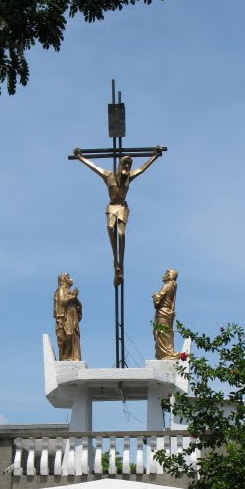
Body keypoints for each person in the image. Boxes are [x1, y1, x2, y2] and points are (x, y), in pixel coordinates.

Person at [73, 146, 163, 286]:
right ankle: (116, 261)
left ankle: (120, 264)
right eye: (125, 163)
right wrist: (80, 158)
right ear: (120, 164)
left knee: (121, 234)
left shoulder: (129, 177)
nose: (127, 166)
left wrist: (155, 157)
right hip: (112, 206)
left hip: (122, 206)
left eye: (129, 164)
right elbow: (94, 167)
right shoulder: (108, 176)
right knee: (110, 228)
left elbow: (142, 169)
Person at [53, 272, 82, 361]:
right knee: (68, 334)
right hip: (66, 316)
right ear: (64, 279)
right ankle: (65, 356)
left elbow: (79, 305)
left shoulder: (70, 292)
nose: (70, 278)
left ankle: (73, 356)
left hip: (73, 315)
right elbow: (62, 302)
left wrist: (76, 301)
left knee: (73, 334)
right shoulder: (61, 290)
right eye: (68, 277)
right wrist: (74, 297)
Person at [152, 269, 180, 359]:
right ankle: (168, 352)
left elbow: (158, 299)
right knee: (168, 332)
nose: (163, 275)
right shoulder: (173, 286)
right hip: (169, 312)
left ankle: (166, 353)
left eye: (166, 274)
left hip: (163, 312)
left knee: (162, 332)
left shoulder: (166, 286)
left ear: (169, 276)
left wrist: (154, 296)